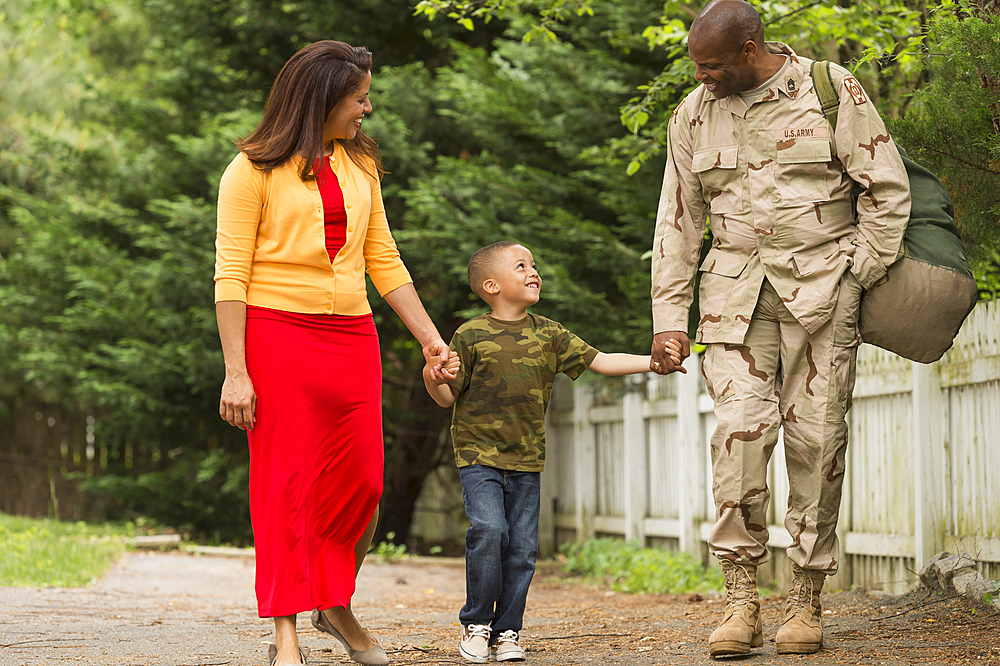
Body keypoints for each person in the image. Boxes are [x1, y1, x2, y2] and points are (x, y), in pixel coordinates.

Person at [648, 0, 911, 658]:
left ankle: (807, 598)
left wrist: (857, 273)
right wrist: (667, 321)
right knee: (738, 438)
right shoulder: (693, 113)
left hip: (822, 301)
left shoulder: (828, 89)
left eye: (712, 66)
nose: (702, 77)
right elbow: (677, 224)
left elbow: (885, 189)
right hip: (733, 303)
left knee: (817, 446)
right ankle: (741, 600)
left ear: (750, 48)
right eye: (695, 67)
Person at [214, 40, 454, 666]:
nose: (367, 108)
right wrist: (236, 373)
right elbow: (231, 276)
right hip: (276, 337)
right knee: (286, 486)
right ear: (321, 99)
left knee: (362, 482)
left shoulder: (360, 165)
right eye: (359, 97)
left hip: (350, 339)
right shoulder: (250, 171)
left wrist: (430, 338)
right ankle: (286, 633)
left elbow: (383, 258)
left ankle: (332, 599)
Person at [423, 241, 683, 663]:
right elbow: (447, 397)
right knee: (490, 532)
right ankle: (476, 623)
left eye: (535, 265)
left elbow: (601, 361)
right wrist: (431, 375)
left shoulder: (550, 333)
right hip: (479, 456)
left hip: (527, 461)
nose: (533, 272)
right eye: (521, 265)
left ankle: (507, 631)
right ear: (491, 285)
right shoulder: (469, 335)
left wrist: (651, 363)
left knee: (523, 549)